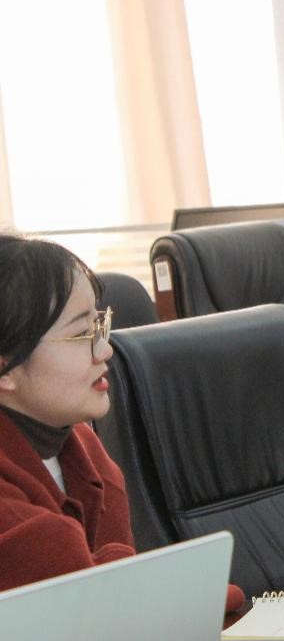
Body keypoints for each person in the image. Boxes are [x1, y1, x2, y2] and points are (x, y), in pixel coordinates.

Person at [0, 235, 134, 590]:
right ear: (5, 369)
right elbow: (95, 594)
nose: (104, 351)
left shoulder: (86, 450)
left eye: (99, 325)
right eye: (80, 334)